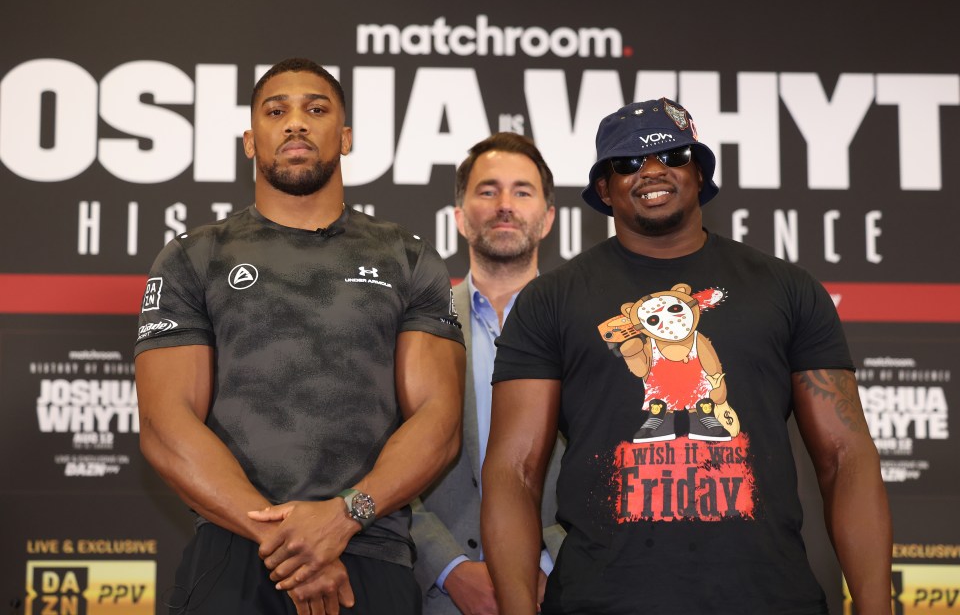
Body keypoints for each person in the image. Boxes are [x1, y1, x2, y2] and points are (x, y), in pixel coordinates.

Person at [480, 98, 892, 614]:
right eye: (627, 163)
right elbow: (513, 472)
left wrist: (877, 608)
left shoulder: (787, 289)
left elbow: (845, 457)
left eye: (671, 156)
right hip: (603, 600)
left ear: (699, 173)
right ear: (604, 189)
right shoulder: (551, 301)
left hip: (767, 600)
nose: (651, 171)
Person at [134, 57, 465, 615]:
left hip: (369, 547)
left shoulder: (407, 257)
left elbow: (438, 420)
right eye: (276, 110)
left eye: (316, 109)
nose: (295, 123)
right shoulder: (194, 257)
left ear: (346, 136)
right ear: (249, 140)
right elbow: (167, 427)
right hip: (235, 549)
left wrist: (343, 517)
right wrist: (288, 541)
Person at [410, 133, 565, 615]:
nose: (504, 205)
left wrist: (544, 564)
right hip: (438, 595)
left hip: (560, 589)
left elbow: (612, 460)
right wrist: (447, 566)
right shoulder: (414, 328)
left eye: (522, 191)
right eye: (487, 190)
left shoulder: (588, 329)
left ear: (549, 217)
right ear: (459, 217)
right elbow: (377, 456)